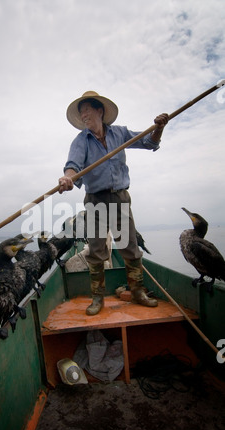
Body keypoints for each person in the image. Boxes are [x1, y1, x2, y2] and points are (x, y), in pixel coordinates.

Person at [59, 91, 168, 315]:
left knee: (130, 246)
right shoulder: (81, 141)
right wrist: (68, 178)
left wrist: (158, 128)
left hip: (120, 198)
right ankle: (98, 298)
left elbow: (148, 142)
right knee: (97, 250)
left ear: (100, 111)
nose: (84, 114)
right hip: (95, 201)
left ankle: (137, 291)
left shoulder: (120, 133)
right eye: (81, 112)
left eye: (87, 109)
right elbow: (73, 166)